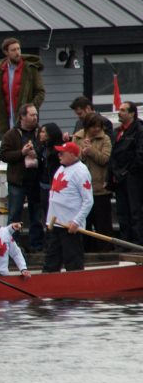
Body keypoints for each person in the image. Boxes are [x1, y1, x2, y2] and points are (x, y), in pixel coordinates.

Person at [43, 141, 93, 272]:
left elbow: (88, 201)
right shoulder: (61, 168)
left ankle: (76, 284)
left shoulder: (81, 172)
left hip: (70, 226)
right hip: (56, 223)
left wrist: (77, 221)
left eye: (62, 153)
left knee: (73, 261)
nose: (58, 155)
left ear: (72, 154)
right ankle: (47, 283)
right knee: (51, 260)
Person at [0, 103, 44, 251]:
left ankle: (36, 245)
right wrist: (22, 153)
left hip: (36, 180)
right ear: (22, 117)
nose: (35, 118)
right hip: (17, 181)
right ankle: (14, 247)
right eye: (32, 115)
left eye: (36, 114)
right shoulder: (11, 134)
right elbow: (4, 155)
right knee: (14, 214)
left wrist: (36, 152)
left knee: (36, 215)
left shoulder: (40, 132)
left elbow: (47, 150)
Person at [72, 114, 112, 251]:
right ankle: (86, 249)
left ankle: (105, 250)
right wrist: (82, 153)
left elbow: (105, 159)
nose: (96, 130)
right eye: (93, 127)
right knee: (85, 222)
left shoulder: (105, 138)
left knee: (103, 222)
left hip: (99, 186)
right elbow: (72, 159)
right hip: (81, 187)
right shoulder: (77, 137)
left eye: (98, 127)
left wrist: (91, 151)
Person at [0, 38, 45, 135]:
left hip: (26, 121)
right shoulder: (0, 69)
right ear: (6, 52)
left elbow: (40, 92)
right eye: (13, 50)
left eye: (18, 49)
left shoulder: (30, 68)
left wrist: (30, 109)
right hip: (7, 120)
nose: (17, 53)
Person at [109, 101, 143, 244]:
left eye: (123, 110)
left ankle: (138, 242)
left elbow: (140, 155)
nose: (119, 112)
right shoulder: (117, 132)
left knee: (135, 210)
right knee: (122, 211)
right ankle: (125, 241)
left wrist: (127, 172)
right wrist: (115, 173)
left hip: (133, 177)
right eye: (119, 110)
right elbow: (113, 155)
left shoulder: (139, 131)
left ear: (132, 113)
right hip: (119, 178)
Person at [38, 122, 63, 219]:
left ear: (50, 134)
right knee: (46, 214)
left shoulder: (58, 150)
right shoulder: (43, 148)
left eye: (43, 132)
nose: (41, 134)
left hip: (56, 187)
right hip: (44, 186)